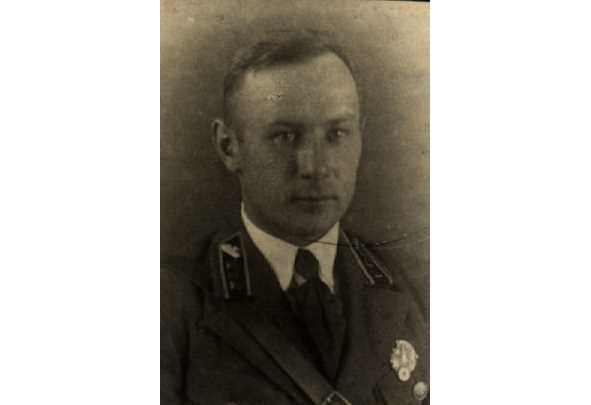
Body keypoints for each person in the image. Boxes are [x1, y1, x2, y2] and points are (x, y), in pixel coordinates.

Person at [161, 34, 429, 405]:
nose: (315, 167)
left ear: (361, 137)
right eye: (284, 136)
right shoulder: (171, 303)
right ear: (229, 146)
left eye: (337, 134)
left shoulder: (409, 286)